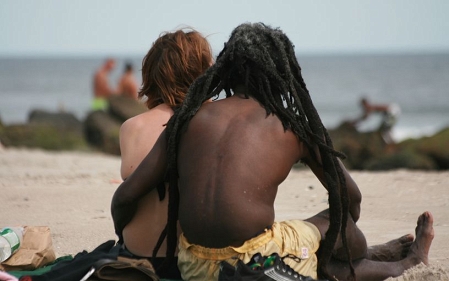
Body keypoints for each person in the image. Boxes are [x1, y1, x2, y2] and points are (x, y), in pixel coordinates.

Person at [111, 23, 434, 281]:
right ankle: (404, 264)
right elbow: (351, 199)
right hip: (252, 264)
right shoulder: (291, 123)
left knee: (322, 250)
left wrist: (121, 240)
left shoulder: (188, 119)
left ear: (223, 70)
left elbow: (126, 196)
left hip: (192, 266)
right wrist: (343, 238)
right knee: (333, 224)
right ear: (284, 71)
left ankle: (346, 261)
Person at [117, 28, 213, 279]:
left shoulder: (131, 128)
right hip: (191, 262)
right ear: (202, 73)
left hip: (135, 259)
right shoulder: (213, 126)